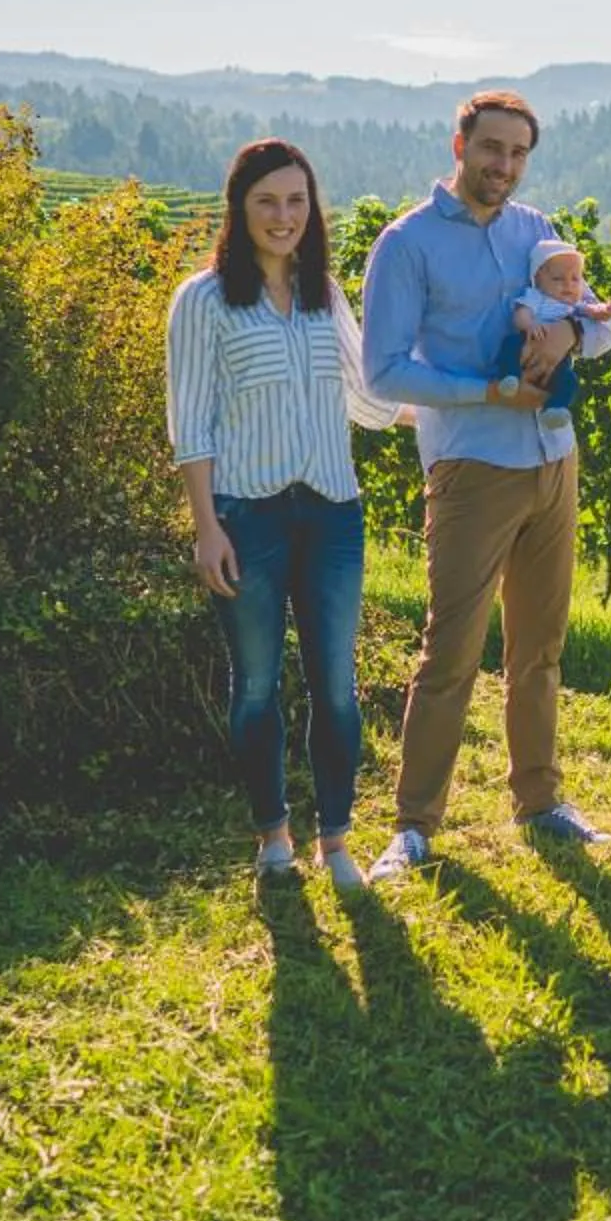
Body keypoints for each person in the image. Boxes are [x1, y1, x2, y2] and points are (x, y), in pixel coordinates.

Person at [359, 89, 611, 880]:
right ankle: (413, 826)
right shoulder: (407, 245)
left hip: (553, 458)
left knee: (540, 649)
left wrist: (573, 330)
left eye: (518, 153)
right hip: (473, 466)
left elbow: (602, 327)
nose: (504, 166)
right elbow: (383, 371)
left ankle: (540, 802)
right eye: (491, 149)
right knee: (452, 651)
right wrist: (488, 391)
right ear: (459, 144)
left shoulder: (538, 230)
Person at [167, 137, 407, 892]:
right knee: (257, 686)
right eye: (268, 200)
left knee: (336, 686)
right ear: (240, 206)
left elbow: (370, 400)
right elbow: (190, 424)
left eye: (297, 200)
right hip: (248, 517)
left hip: (334, 512)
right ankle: (273, 834)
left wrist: (460, 405)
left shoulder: (324, 294)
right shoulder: (202, 300)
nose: (283, 215)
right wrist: (207, 529)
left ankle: (335, 841)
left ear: (313, 207)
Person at [496, 238, 611, 421]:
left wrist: (606, 310)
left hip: (559, 361)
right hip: (529, 341)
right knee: (510, 345)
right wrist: (530, 325)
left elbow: (593, 312)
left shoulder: (574, 305)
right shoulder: (536, 296)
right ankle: (509, 376)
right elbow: (521, 314)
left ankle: (555, 409)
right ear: (537, 279)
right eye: (557, 279)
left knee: (568, 380)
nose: (568, 285)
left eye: (575, 279)